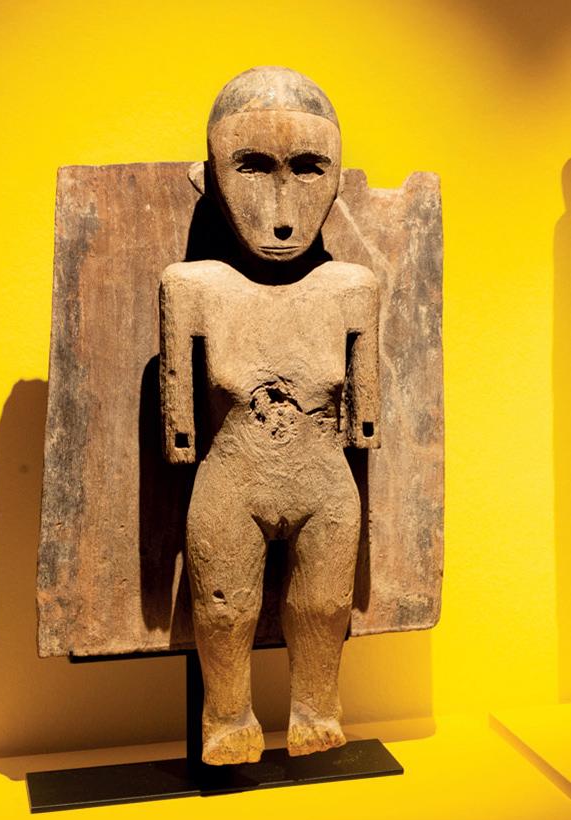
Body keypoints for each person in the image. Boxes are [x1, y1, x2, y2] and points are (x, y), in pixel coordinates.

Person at [160, 66, 380, 765]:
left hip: (324, 487)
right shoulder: (192, 288)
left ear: (337, 180)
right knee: (223, 608)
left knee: (323, 606)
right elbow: (179, 428)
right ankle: (226, 717)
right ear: (208, 179)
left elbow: (365, 420)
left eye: (308, 169)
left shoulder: (351, 288)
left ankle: (317, 707)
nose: (283, 210)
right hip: (232, 483)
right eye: (252, 167)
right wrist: (180, 438)